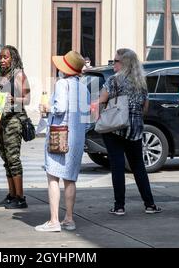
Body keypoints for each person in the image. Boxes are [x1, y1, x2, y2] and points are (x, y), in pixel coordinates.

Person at [98, 48, 162, 216]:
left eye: (115, 61)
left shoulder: (113, 81)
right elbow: (145, 108)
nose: (113, 65)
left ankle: (119, 206)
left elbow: (102, 100)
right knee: (138, 166)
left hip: (115, 128)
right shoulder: (141, 82)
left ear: (124, 63)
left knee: (117, 166)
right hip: (135, 129)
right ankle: (149, 204)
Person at [35, 50, 90, 232]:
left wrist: (46, 107)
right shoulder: (84, 87)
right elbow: (87, 117)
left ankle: (53, 220)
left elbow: (59, 108)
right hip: (77, 138)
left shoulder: (61, 84)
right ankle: (69, 218)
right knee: (70, 179)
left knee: (52, 177)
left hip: (60, 135)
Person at [0, 45, 31, 209]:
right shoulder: (1, 75)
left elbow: (28, 99)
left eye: (5, 57)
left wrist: (13, 99)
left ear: (13, 58)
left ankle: (20, 198)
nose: (2, 60)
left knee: (13, 159)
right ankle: (11, 194)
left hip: (13, 120)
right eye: (1, 57)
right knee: (5, 159)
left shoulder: (18, 74)